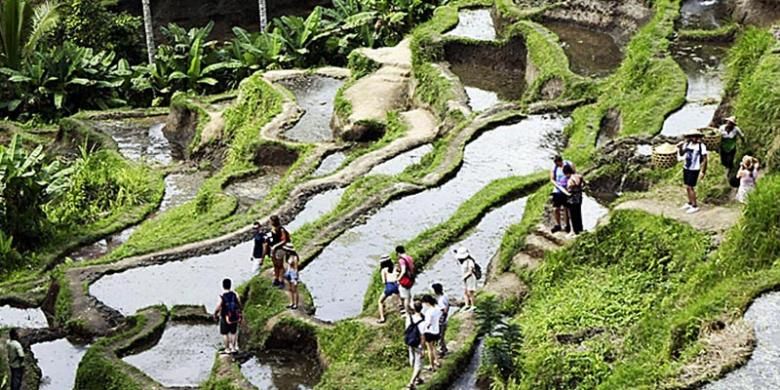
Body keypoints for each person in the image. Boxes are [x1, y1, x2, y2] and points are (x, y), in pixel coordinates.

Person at [677, 130, 708, 214]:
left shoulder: (701, 146)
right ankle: (690, 203)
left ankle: (695, 205)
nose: (694, 138)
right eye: (692, 136)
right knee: (687, 186)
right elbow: (682, 154)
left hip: (694, 169)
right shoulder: (687, 144)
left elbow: (705, 159)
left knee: (691, 187)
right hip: (686, 167)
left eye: (695, 136)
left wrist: (703, 171)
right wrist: (680, 147)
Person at [213, 278, 242, 354]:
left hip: (224, 316)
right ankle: (233, 348)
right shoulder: (235, 294)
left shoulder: (221, 295)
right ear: (230, 285)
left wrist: (215, 313)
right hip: (234, 315)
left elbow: (219, 306)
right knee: (233, 332)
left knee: (225, 333)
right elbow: (239, 303)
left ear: (223, 286)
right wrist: (240, 311)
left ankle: (227, 349)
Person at [404, 301, 426, 389]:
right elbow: (423, 336)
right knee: (419, 363)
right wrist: (423, 348)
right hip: (418, 344)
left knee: (412, 359)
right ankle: (411, 382)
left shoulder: (409, 318)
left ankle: (418, 378)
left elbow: (406, 329)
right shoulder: (422, 321)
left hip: (410, 341)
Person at [550, 155, 574, 233]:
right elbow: (552, 179)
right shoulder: (554, 167)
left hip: (567, 188)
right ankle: (558, 225)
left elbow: (573, 174)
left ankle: (567, 225)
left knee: (566, 208)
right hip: (558, 190)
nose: (557, 164)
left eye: (558, 163)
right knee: (556, 208)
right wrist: (558, 186)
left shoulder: (569, 164)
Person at [268, 215, 291, 288]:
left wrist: (275, 246)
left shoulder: (281, 230)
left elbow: (284, 240)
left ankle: (281, 280)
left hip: (280, 249)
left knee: (280, 265)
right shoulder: (272, 229)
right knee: (275, 265)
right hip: (273, 249)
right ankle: (276, 278)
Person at [420, 295, 442, 371]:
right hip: (436, 331)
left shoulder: (429, 312)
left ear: (427, 302)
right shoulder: (437, 308)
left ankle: (432, 366)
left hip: (429, 332)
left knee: (429, 349)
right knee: (434, 347)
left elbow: (428, 323)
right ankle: (437, 361)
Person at [377, 256, 400, 323]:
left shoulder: (383, 270)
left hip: (389, 286)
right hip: (397, 285)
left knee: (380, 301)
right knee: (401, 299)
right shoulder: (395, 267)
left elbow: (384, 282)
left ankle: (382, 318)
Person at [563, 165, 585, 235]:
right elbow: (584, 184)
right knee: (579, 215)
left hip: (572, 200)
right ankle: (581, 229)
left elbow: (569, 190)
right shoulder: (579, 176)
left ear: (566, 173)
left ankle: (576, 232)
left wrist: (566, 191)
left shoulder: (570, 180)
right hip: (579, 198)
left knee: (573, 216)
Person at [396, 246, 416, 314]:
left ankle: (407, 312)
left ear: (398, 252)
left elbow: (403, 271)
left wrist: (398, 279)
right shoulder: (410, 258)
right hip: (411, 279)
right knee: (408, 293)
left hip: (405, 280)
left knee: (405, 297)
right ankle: (411, 307)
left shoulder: (401, 260)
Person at [456, 247, 476, 312]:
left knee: (470, 292)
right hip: (465, 278)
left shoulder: (470, 261)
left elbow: (470, 271)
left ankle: (473, 305)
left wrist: (464, 277)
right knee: (465, 292)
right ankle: (466, 304)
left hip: (470, 278)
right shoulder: (463, 262)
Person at [431, 283, 450, 356]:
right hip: (444, 319)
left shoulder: (440, 300)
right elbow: (448, 306)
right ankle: (444, 348)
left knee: (439, 336)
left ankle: (441, 351)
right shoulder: (445, 295)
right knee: (441, 335)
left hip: (441, 320)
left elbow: (444, 310)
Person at [283, 243, 300, 310]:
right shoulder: (287, 256)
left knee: (294, 289)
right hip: (288, 271)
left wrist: (295, 277)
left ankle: (295, 304)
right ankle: (291, 302)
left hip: (293, 273)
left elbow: (296, 268)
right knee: (289, 288)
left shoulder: (294, 257)